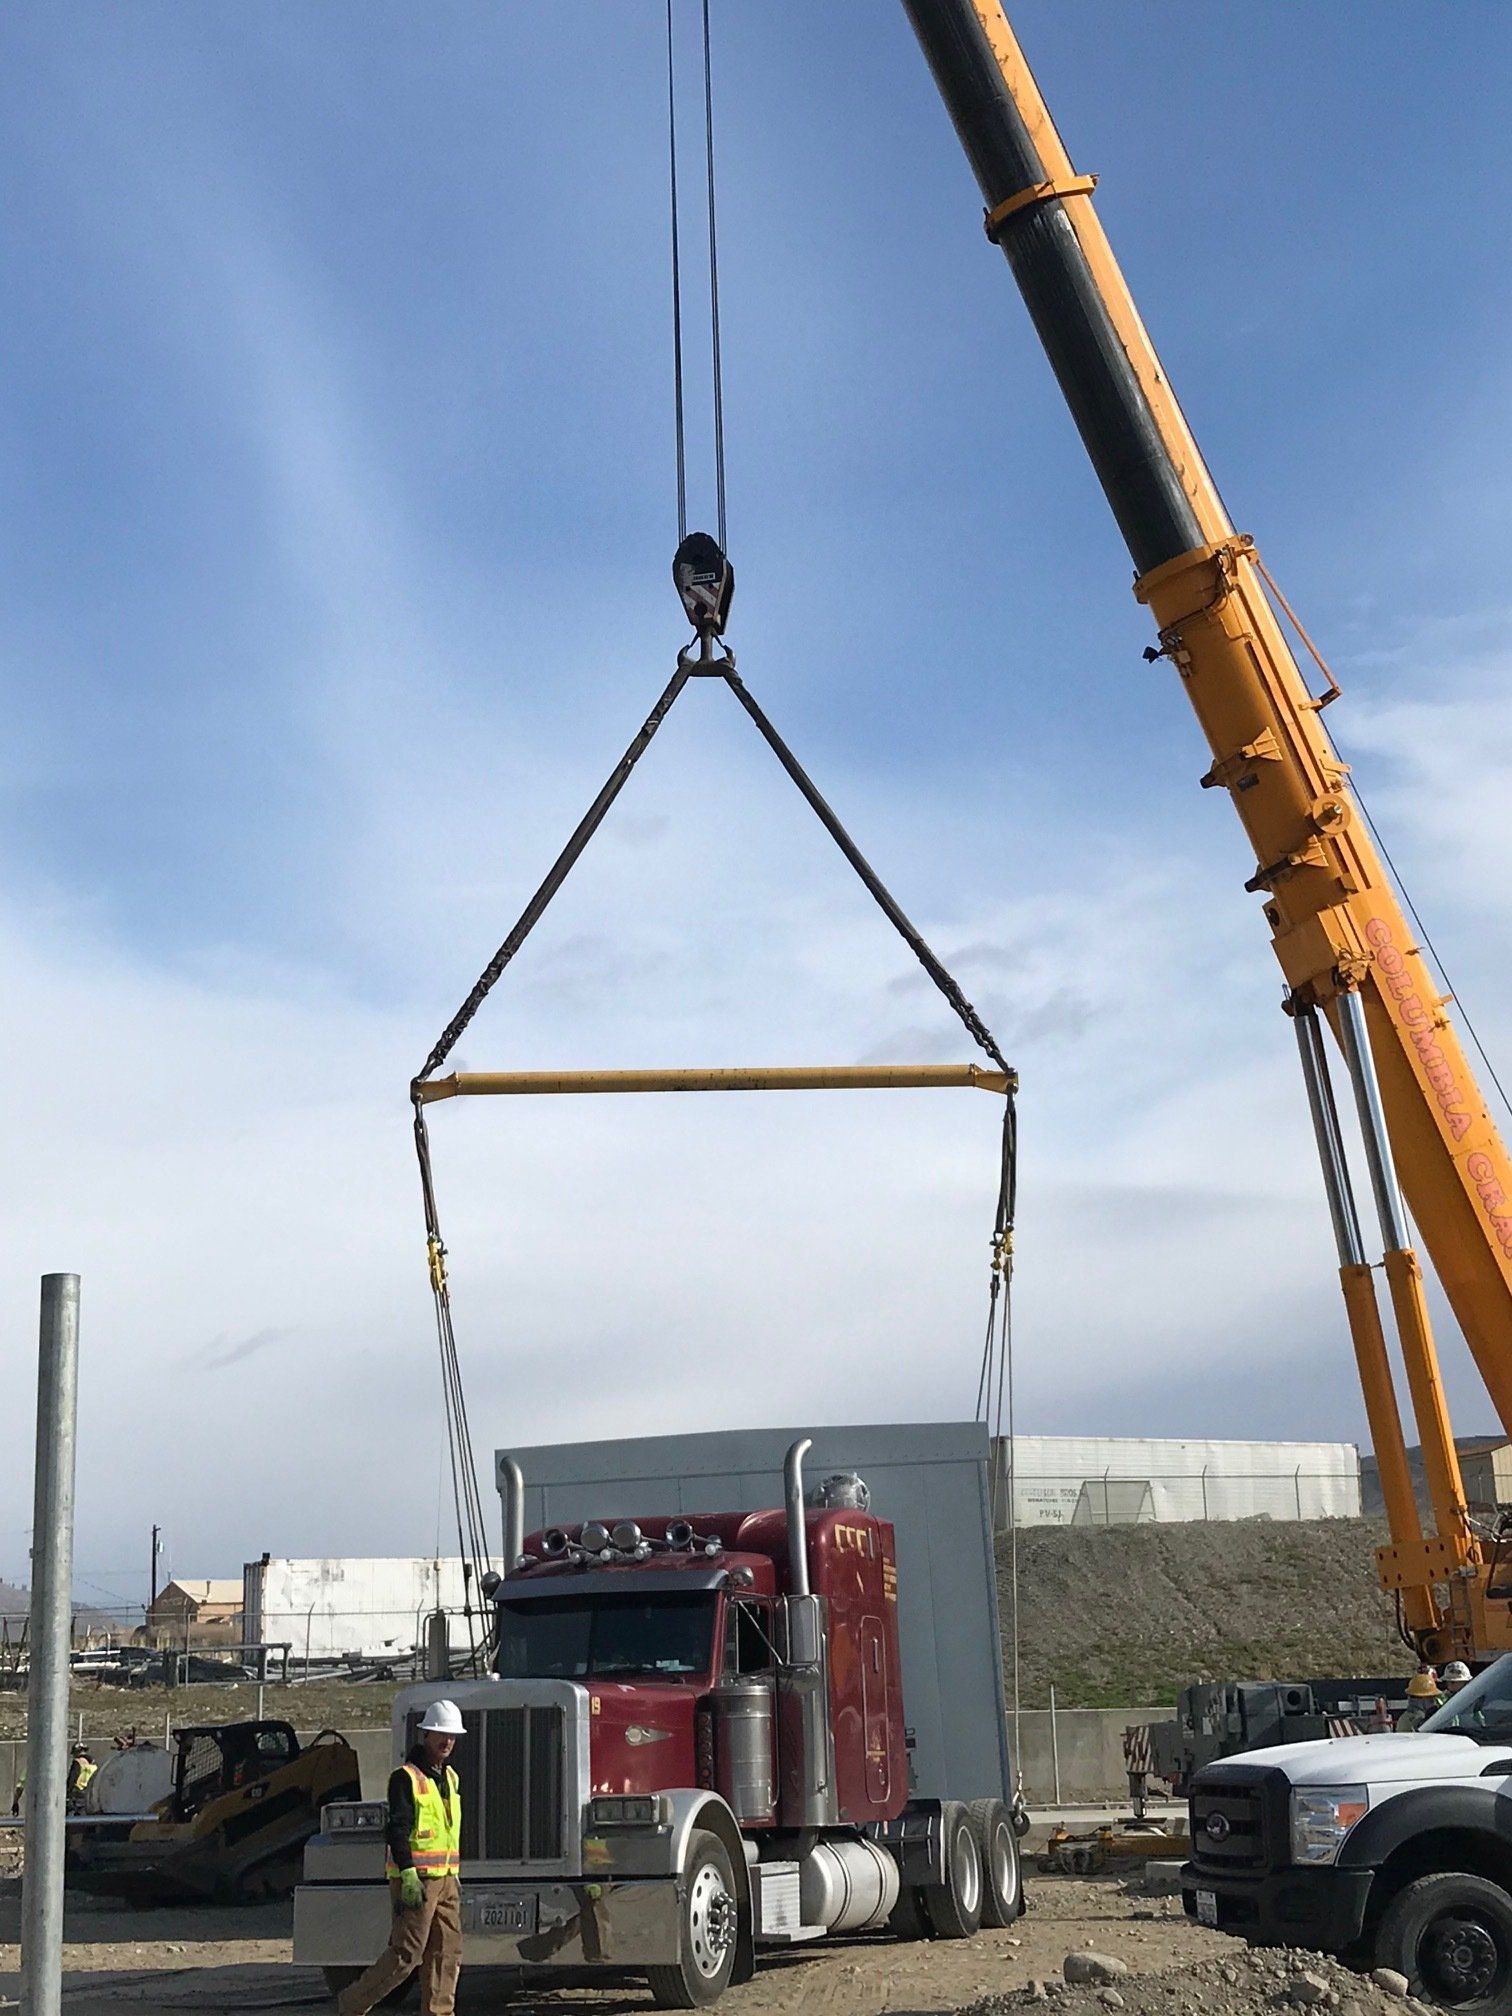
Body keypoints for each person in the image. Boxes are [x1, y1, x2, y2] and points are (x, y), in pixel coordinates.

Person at [336, 1699, 465, 2016]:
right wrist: (407, 1872)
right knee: (407, 1954)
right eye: (439, 1734)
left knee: (446, 1952)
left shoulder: (450, 1779)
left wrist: (452, 1875)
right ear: (426, 1735)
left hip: (446, 1878)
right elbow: (397, 1829)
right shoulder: (406, 1778)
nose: (446, 1741)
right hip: (417, 1880)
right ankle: (352, 2003)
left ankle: (439, 2012)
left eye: (450, 1735)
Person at [67, 1744, 97, 1809]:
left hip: (78, 1791)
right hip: (90, 1791)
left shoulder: (78, 1762)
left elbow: (72, 1778)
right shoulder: (93, 1764)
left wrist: (68, 1791)